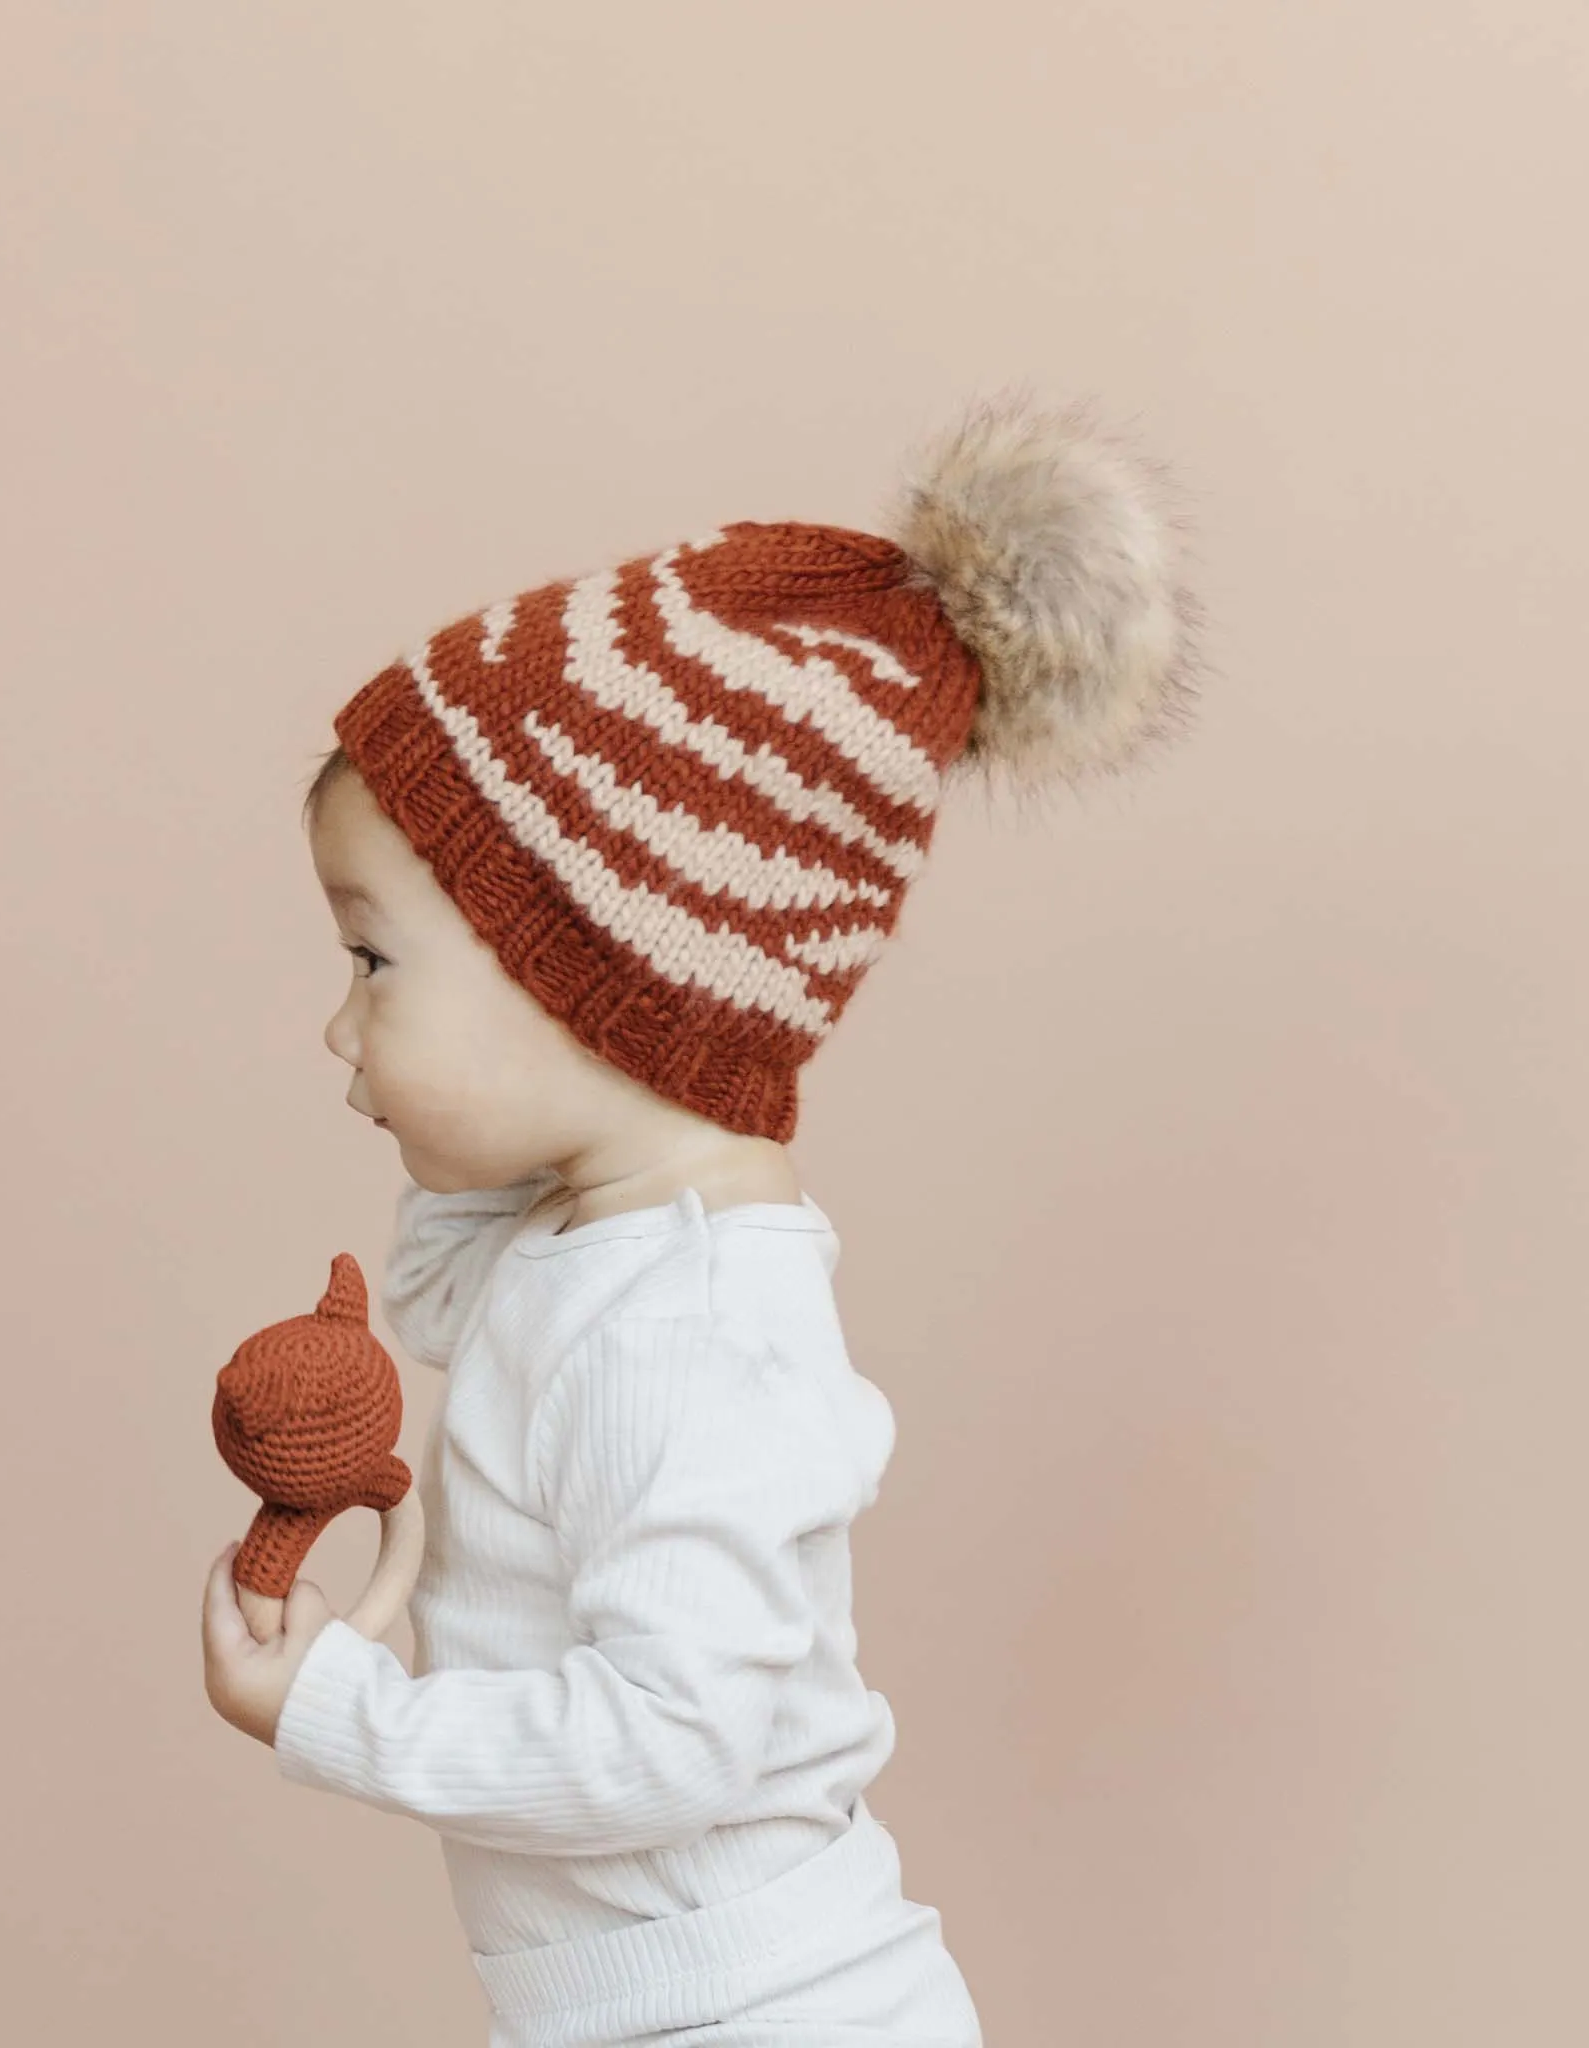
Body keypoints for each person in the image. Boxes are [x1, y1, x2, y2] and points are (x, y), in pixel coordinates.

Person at [201, 386, 1204, 2044]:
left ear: (596, 981)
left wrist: (340, 1714)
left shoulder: (693, 1337)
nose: (337, 1025)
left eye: (372, 961)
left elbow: (673, 1742)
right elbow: (451, 1301)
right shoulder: (584, 1253)